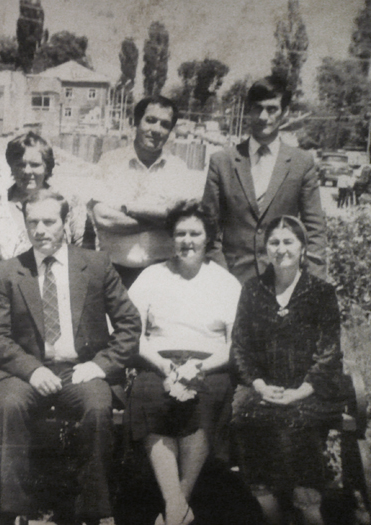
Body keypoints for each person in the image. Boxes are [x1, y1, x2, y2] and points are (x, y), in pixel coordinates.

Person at [0, 189, 142, 525]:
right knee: (9, 406)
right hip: (27, 371)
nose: (40, 230)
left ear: (65, 222)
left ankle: (92, 511)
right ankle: (15, 511)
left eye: (48, 221)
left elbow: (129, 324)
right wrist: (31, 370)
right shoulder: (9, 271)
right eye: (32, 222)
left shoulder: (96, 264)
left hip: (81, 369)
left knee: (97, 407)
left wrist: (99, 365)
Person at [127, 200, 241, 525]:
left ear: (208, 237)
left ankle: (177, 506)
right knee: (149, 393)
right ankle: (177, 505)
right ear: (171, 238)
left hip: (210, 365)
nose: (187, 240)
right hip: (158, 361)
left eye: (195, 233)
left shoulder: (225, 282)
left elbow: (235, 344)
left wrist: (200, 367)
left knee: (206, 396)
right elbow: (131, 332)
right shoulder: (152, 276)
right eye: (180, 234)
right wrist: (162, 365)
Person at [230, 216, 346, 525]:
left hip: (311, 388)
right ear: (265, 249)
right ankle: (269, 508)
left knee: (296, 419)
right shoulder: (252, 290)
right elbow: (240, 347)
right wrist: (259, 385)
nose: (281, 249)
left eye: (288, 241)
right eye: (274, 242)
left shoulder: (321, 292)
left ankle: (307, 505)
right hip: (263, 386)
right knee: (246, 414)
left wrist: (300, 392)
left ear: (303, 248)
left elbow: (329, 353)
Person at [202, 75, 327, 284]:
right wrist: (222, 277)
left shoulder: (301, 162)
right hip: (232, 280)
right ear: (248, 110)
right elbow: (208, 227)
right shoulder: (222, 162)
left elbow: (314, 230)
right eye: (257, 108)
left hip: (283, 281)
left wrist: (313, 287)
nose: (263, 116)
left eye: (272, 109)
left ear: (285, 112)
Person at [89, 95, 205, 289]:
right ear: (136, 122)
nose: (156, 130)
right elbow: (104, 219)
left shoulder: (179, 169)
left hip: (163, 275)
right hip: (115, 274)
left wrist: (130, 210)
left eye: (165, 125)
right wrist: (161, 218)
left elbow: (182, 222)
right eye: (150, 120)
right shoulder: (109, 162)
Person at [0, 131, 86, 281]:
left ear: (47, 167)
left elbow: (82, 251)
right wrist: (6, 280)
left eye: (35, 165)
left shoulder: (68, 201)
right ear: (11, 166)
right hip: (7, 285)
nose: (27, 171)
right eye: (20, 164)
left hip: (57, 285)